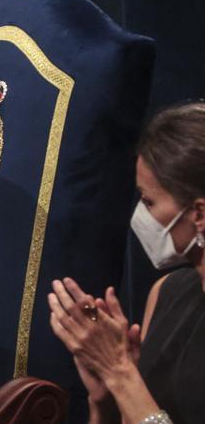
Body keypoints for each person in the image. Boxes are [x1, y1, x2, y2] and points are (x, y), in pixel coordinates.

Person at [49, 102, 205, 424]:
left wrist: (119, 371)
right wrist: (105, 398)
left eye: (149, 201)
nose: (141, 214)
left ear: (199, 214)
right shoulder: (165, 292)